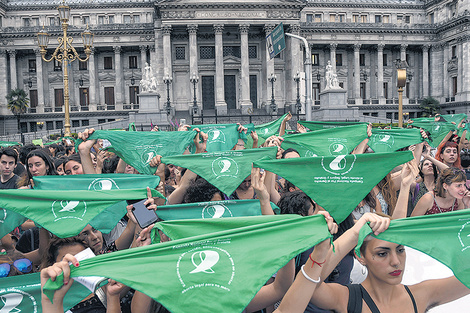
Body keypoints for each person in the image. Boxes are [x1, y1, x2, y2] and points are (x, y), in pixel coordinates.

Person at [305, 213, 470, 313]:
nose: (396, 262)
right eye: (382, 254)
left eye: (400, 250)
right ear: (360, 256)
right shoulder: (347, 298)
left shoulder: (422, 294)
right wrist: (354, 234)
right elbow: (308, 285)